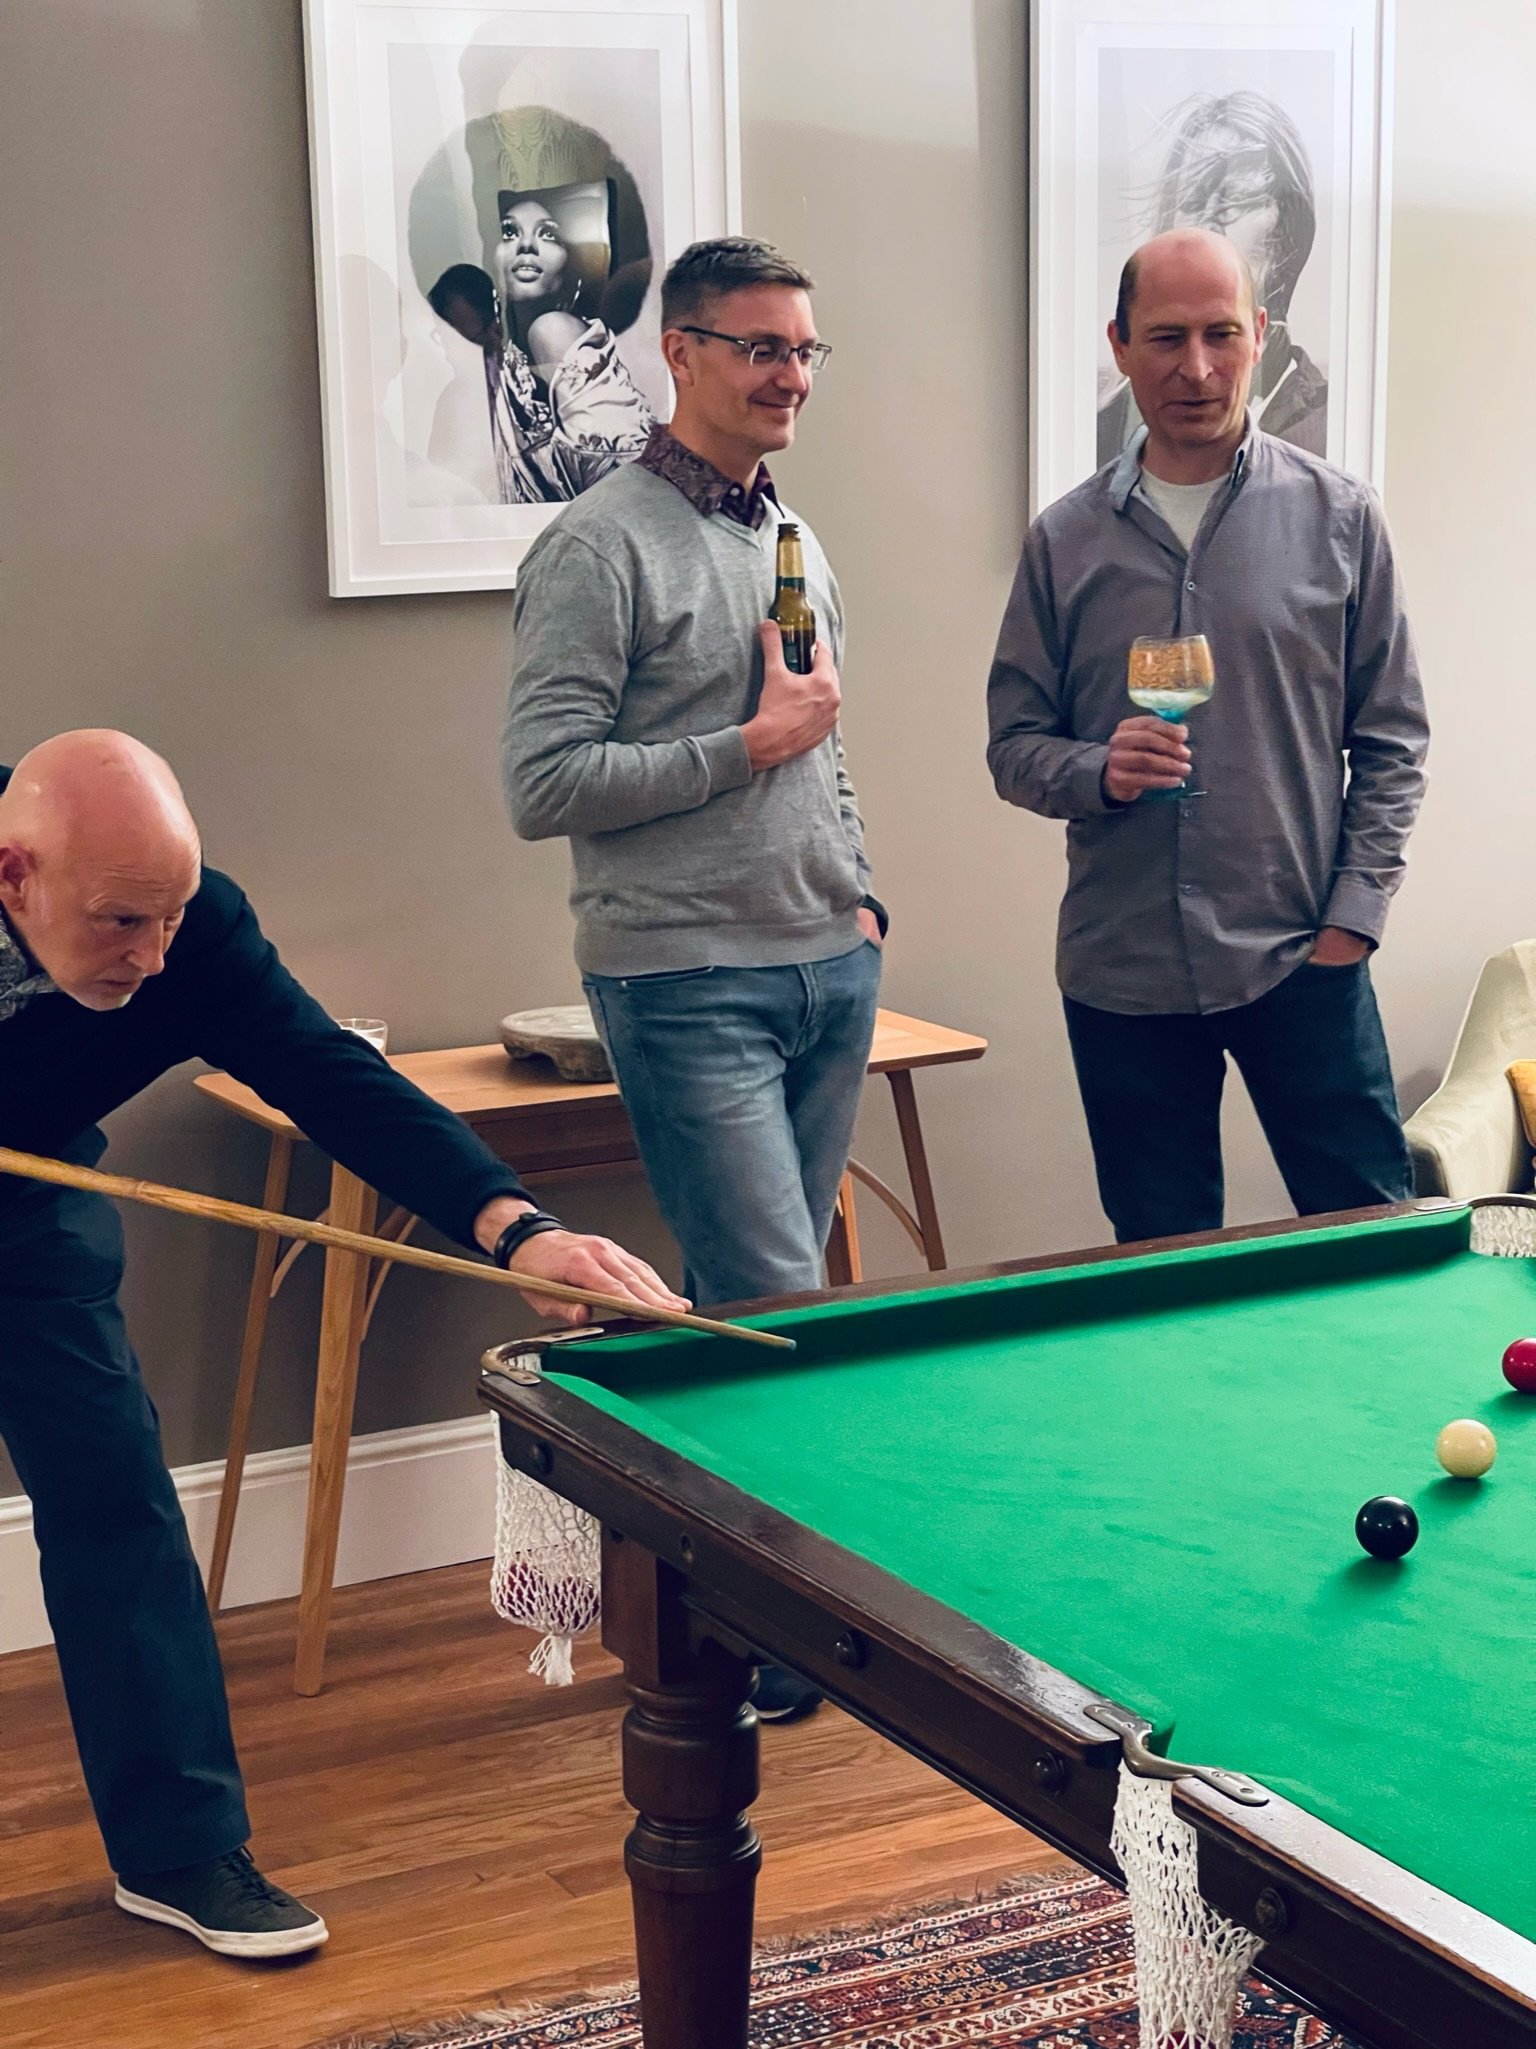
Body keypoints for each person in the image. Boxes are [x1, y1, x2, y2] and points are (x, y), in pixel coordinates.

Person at [0, 731, 683, 1959]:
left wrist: (513, 1229)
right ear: (14, 878)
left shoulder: (186, 932)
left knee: (116, 1505)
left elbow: (325, 1073)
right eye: (117, 926)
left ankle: (179, 1852)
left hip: (23, 1210)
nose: (152, 963)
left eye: (167, 921)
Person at [502, 238, 885, 1714]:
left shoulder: (793, 531)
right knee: (774, 1306)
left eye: (804, 352)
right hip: (683, 982)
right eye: (759, 349)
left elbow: (825, 727)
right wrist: (746, 750)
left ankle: (726, 1626)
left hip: (823, 965)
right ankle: (781, 1638)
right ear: (680, 352)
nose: (789, 376)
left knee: (769, 1311)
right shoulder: (597, 546)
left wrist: (860, 893)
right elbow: (543, 782)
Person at [988, 227, 1428, 1246]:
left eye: (1222, 334)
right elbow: (1013, 743)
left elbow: (1395, 737)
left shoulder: (1342, 518)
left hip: (1300, 954)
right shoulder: (1064, 539)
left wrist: (1352, 919)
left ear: (1261, 336)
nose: (1196, 368)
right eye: (1167, 337)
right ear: (1119, 346)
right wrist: (1099, 770)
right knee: (1158, 1264)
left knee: (1372, 1242)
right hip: (1122, 969)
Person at [1098, 93, 1327, 464]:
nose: (1207, 223)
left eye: (1235, 201)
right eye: (1191, 201)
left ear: (1291, 230)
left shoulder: (1343, 505)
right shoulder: (1103, 428)